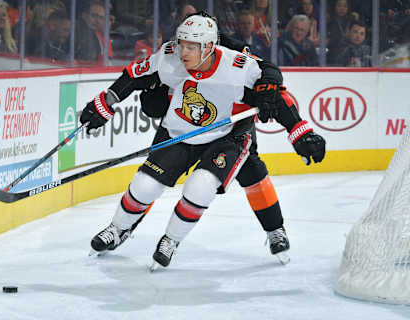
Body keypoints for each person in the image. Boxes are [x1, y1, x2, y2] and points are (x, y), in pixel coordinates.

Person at [80, 12, 325, 270]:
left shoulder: (237, 65)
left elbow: (275, 91)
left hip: (227, 133)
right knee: (144, 185)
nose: (183, 52)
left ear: (210, 45)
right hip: (182, 130)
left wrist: (300, 132)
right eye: (181, 43)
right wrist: (105, 104)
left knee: (207, 184)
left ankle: (172, 240)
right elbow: (133, 75)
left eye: (191, 46)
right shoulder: (170, 56)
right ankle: (118, 228)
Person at [137, 31, 325, 265]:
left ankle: (275, 229)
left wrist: (299, 130)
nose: (186, 48)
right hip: (192, 128)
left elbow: (273, 86)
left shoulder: (234, 53)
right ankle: (122, 227)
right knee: (153, 176)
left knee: (252, 172)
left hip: (231, 130)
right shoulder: (181, 53)